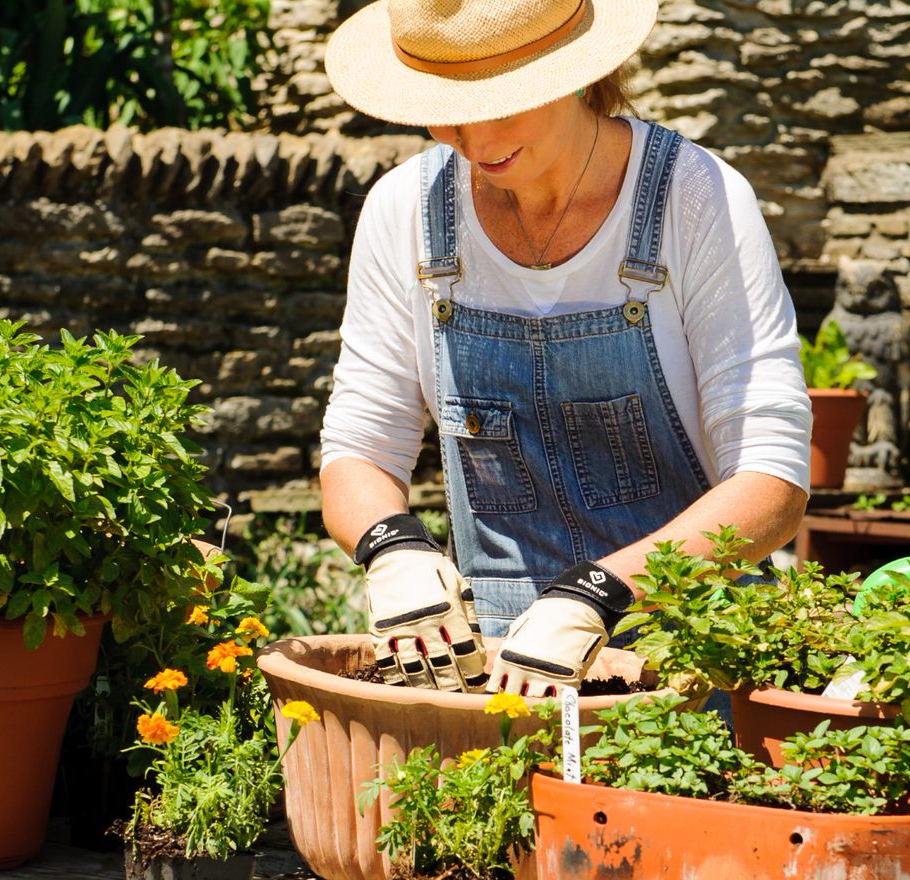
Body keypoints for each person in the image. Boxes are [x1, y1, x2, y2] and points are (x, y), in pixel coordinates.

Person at [317, 0, 812, 697]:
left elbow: (772, 482)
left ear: (572, 72)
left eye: (502, 103)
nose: (475, 138)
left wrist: (597, 593)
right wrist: (390, 546)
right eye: (446, 108)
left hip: (696, 654)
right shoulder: (406, 214)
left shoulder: (695, 199)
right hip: (496, 666)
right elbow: (359, 447)